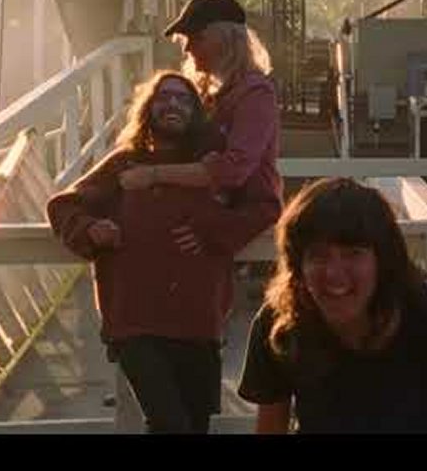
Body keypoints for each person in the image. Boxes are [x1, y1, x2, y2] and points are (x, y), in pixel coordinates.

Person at [47, 71, 278, 433]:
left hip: (199, 320)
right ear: (148, 108)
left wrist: (213, 230)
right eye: (163, 97)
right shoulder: (125, 163)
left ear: (197, 113)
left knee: (194, 425)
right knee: (169, 423)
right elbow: (64, 206)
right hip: (135, 322)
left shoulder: (212, 168)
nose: (173, 104)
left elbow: (265, 207)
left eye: (184, 99)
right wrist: (90, 229)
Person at [237, 177, 427, 434]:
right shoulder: (278, 326)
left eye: (353, 254)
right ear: (298, 267)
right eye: (318, 256)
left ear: (384, 261)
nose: (334, 273)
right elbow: (271, 425)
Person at [117, 0, 282, 224]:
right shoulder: (206, 92)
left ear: (224, 40)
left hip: (245, 216)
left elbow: (233, 170)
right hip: (208, 212)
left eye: (196, 38)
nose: (187, 48)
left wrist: (154, 175)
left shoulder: (256, 93)